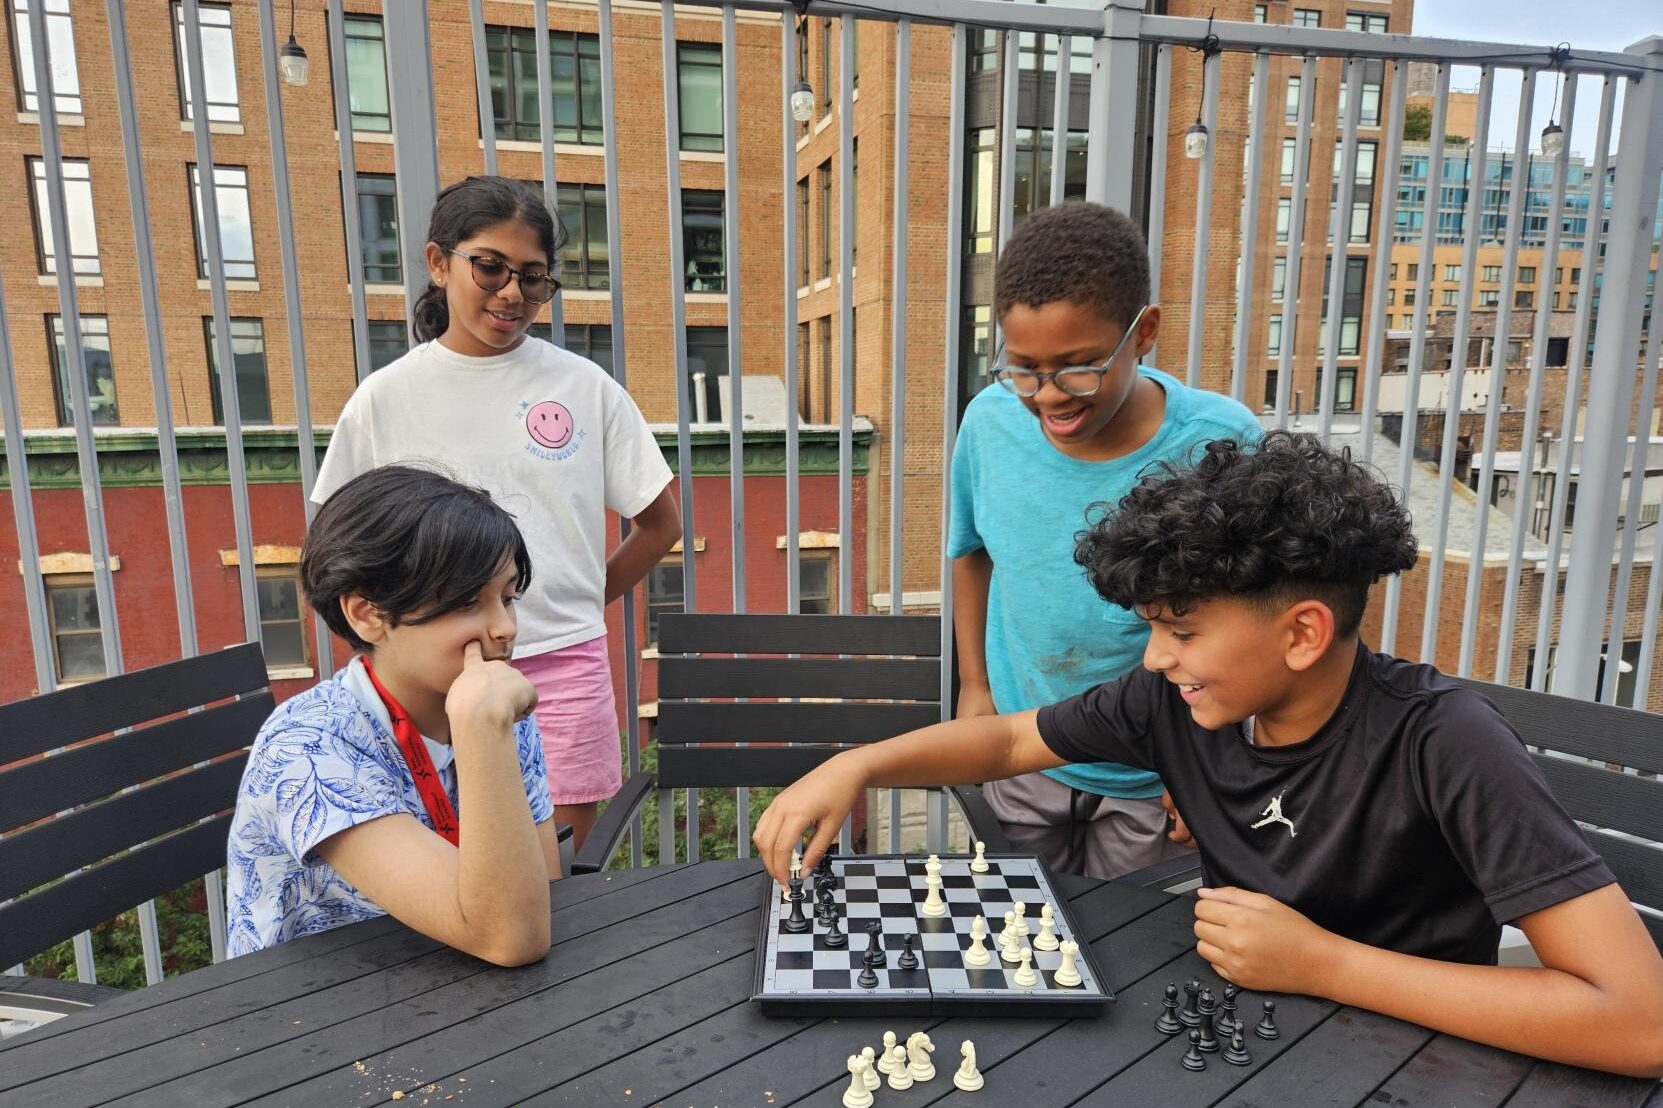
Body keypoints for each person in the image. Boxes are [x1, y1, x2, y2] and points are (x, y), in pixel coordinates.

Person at [755, 433, 1663, 1077]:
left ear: (1303, 632)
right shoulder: (1175, 702)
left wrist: (1325, 965)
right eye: (1152, 629)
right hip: (1240, 1042)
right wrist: (859, 764)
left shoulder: (1447, 743)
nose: (1155, 658)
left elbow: (1639, 1022)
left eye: (1181, 630)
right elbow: (1005, 738)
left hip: (1417, 1062)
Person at [312, 177, 680, 851]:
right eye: (489, 266)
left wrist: (575, 600)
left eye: (533, 277)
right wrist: (396, 641)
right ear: (437, 262)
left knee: (557, 881)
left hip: (561, 669)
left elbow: (660, 525)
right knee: (442, 873)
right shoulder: (385, 399)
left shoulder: (584, 388)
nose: (511, 292)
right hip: (425, 681)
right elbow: (336, 548)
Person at [950, 201, 1260, 878]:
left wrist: (1202, 760)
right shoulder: (987, 424)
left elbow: (1245, 622)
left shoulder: (1223, 443)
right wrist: (974, 686)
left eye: (1079, 366)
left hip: (1156, 775)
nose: (1048, 397)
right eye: (1024, 368)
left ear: (1143, 332)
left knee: (1127, 950)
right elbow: (969, 553)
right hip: (1021, 747)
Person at [227, 466, 562, 965]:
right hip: (311, 1015)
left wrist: (483, 724)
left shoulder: (489, 701)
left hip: (450, 983)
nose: (504, 627)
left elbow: (543, 889)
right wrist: (481, 729)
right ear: (368, 614)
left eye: (508, 597)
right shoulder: (309, 747)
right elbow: (512, 937)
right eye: (469, 601)